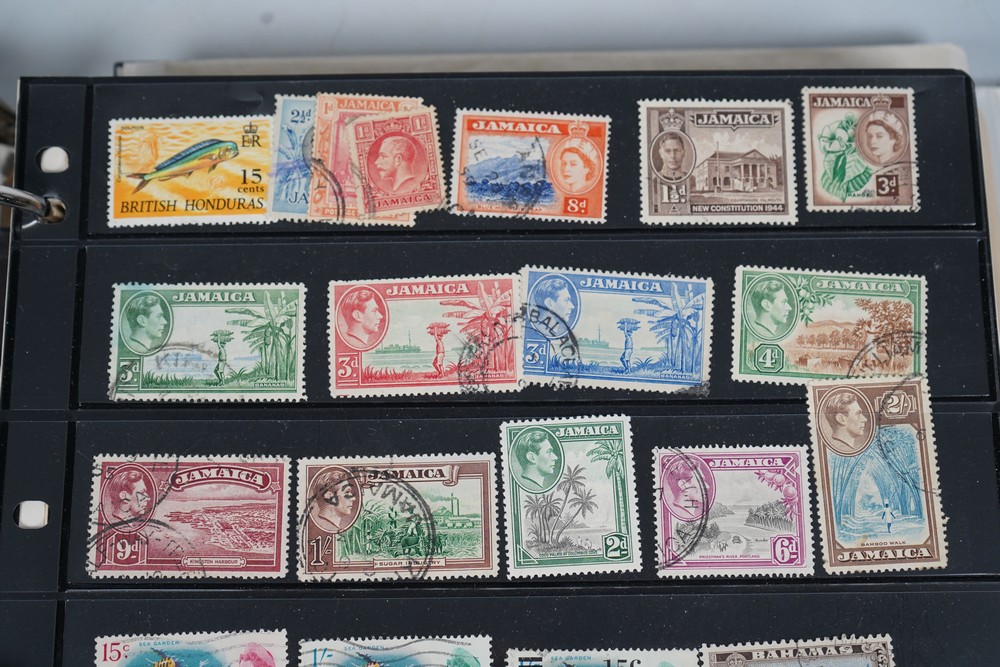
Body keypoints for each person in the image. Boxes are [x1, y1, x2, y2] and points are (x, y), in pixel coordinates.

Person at [310, 469, 360, 533]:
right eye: (347, 492)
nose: (353, 498)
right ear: (329, 497)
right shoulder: (325, 526)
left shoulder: (326, 526)